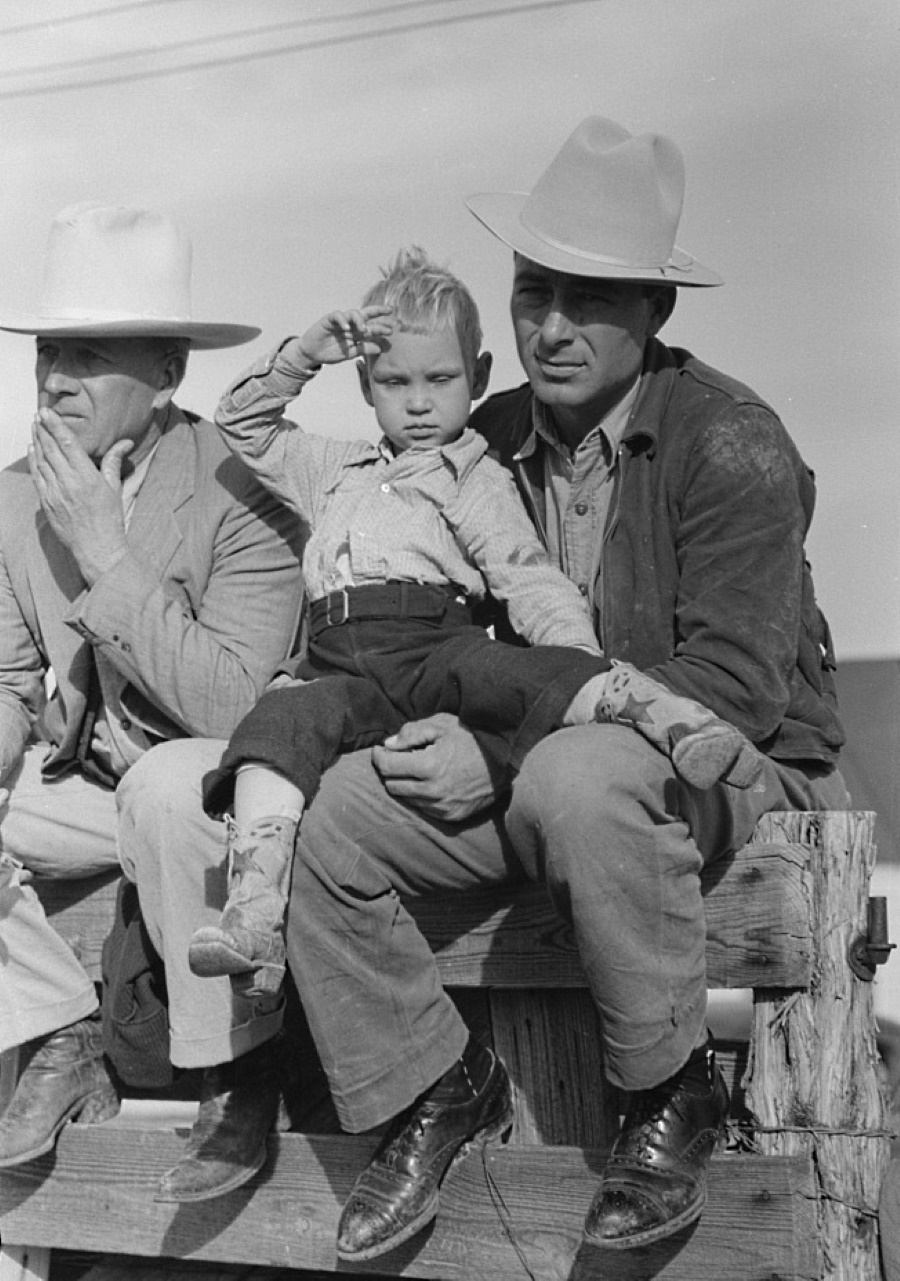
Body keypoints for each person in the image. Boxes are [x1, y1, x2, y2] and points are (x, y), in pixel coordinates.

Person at [119, 115, 847, 1251]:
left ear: (655, 312)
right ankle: (434, 1084)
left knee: (580, 777)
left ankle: (665, 1092)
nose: (553, 325)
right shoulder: (477, 429)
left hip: (720, 773)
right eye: (532, 289)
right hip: (539, 755)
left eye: (591, 298)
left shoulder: (728, 441)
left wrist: (495, 747)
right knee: (332, 816)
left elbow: (737, 689)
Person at [185, 247, 762, 1001]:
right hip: (335, 663)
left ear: (479, 379)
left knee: (514, 673)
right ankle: (253, 910)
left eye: (440, 380)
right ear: (365, 383)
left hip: (429, 645)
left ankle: (669, 719)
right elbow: (242, 422)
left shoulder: (475, 476)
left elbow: (528, 577)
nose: (418, 403)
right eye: (394, 382)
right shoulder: (335, 468)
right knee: (272, 735)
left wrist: (577, 658)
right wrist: (304, 355)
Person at [0, 203, 304, 1171]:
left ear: (168, 373)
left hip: (222, 780)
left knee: (170, 788)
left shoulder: (246, 487)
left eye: (90, 359)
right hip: (88, 783)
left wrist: (101, 545)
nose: (55, 380)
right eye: (50, 352)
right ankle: (58, 1026)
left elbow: (235, 706)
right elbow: (6, 680)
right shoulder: (13, 493)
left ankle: (236, 1072)